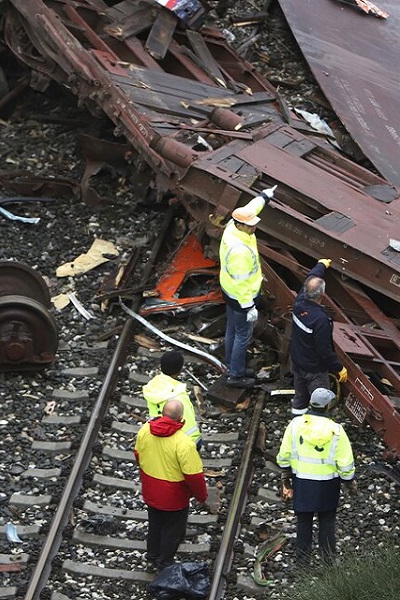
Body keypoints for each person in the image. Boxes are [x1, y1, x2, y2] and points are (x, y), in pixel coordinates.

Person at [276, 388, 355, 566]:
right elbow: (345, 462)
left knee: (304, 521)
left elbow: (284, 455)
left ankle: (303, 561)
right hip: (328, 485)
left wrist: (286, 473)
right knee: (327, 521)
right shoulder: (336, 430)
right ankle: (328, 560)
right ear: (328, 406)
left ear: (311, 403)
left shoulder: (295, 425)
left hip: (302, 482)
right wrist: (349, 480)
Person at [134, 399, 208, 570]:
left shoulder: (146, 429)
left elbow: (138, 454)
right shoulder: (184, 443)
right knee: (172, 529)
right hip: (174, 496)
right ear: (181, 417)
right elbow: (194, 476)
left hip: (151, 488)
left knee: (155, 523)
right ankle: (165, 561)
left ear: (162, 413)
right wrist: (201, 496)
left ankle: (152, 555)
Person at [219, 185, 277, 388]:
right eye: (251, 225)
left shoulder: (233, 228)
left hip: (229, 292)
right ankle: (235, 375)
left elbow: (251, 208)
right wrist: (248, 307)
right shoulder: (239, 251)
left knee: (232, 330)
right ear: (241, 225)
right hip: (241, 297)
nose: (254, 227)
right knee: (242, 335)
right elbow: (242, 281)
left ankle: (231, 365)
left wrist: (264, 197)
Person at [289, 258, 347, 414]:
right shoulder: (320, 320)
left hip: (298, 362)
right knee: (320, 402)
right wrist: (339, 368)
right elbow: (324, 350)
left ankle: (296, 421)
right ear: (322, 294)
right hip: (314, 369)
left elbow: (310, 279)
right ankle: (317, 429)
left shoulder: (299, 302)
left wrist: (321, 265)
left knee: (300, 397)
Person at [142, 351, 201, 448]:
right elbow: (189, 425)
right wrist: (196, 442)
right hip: (180, 443)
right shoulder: (179, 396)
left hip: (159, 436)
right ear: (180, 369)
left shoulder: (153, 387)